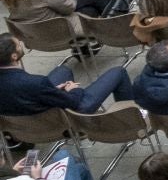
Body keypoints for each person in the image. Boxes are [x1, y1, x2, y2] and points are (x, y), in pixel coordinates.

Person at [0, 32, 136, 117]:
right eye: (19, 45)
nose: (21, 44)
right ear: (14, 56)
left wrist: (52, 91)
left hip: (30, 116)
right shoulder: (35, 82)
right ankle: (132, 118)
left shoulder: (34, 83)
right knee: (118, 72)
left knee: (63, 71)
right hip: (68, 114)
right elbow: (72, 101)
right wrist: (74, 90)